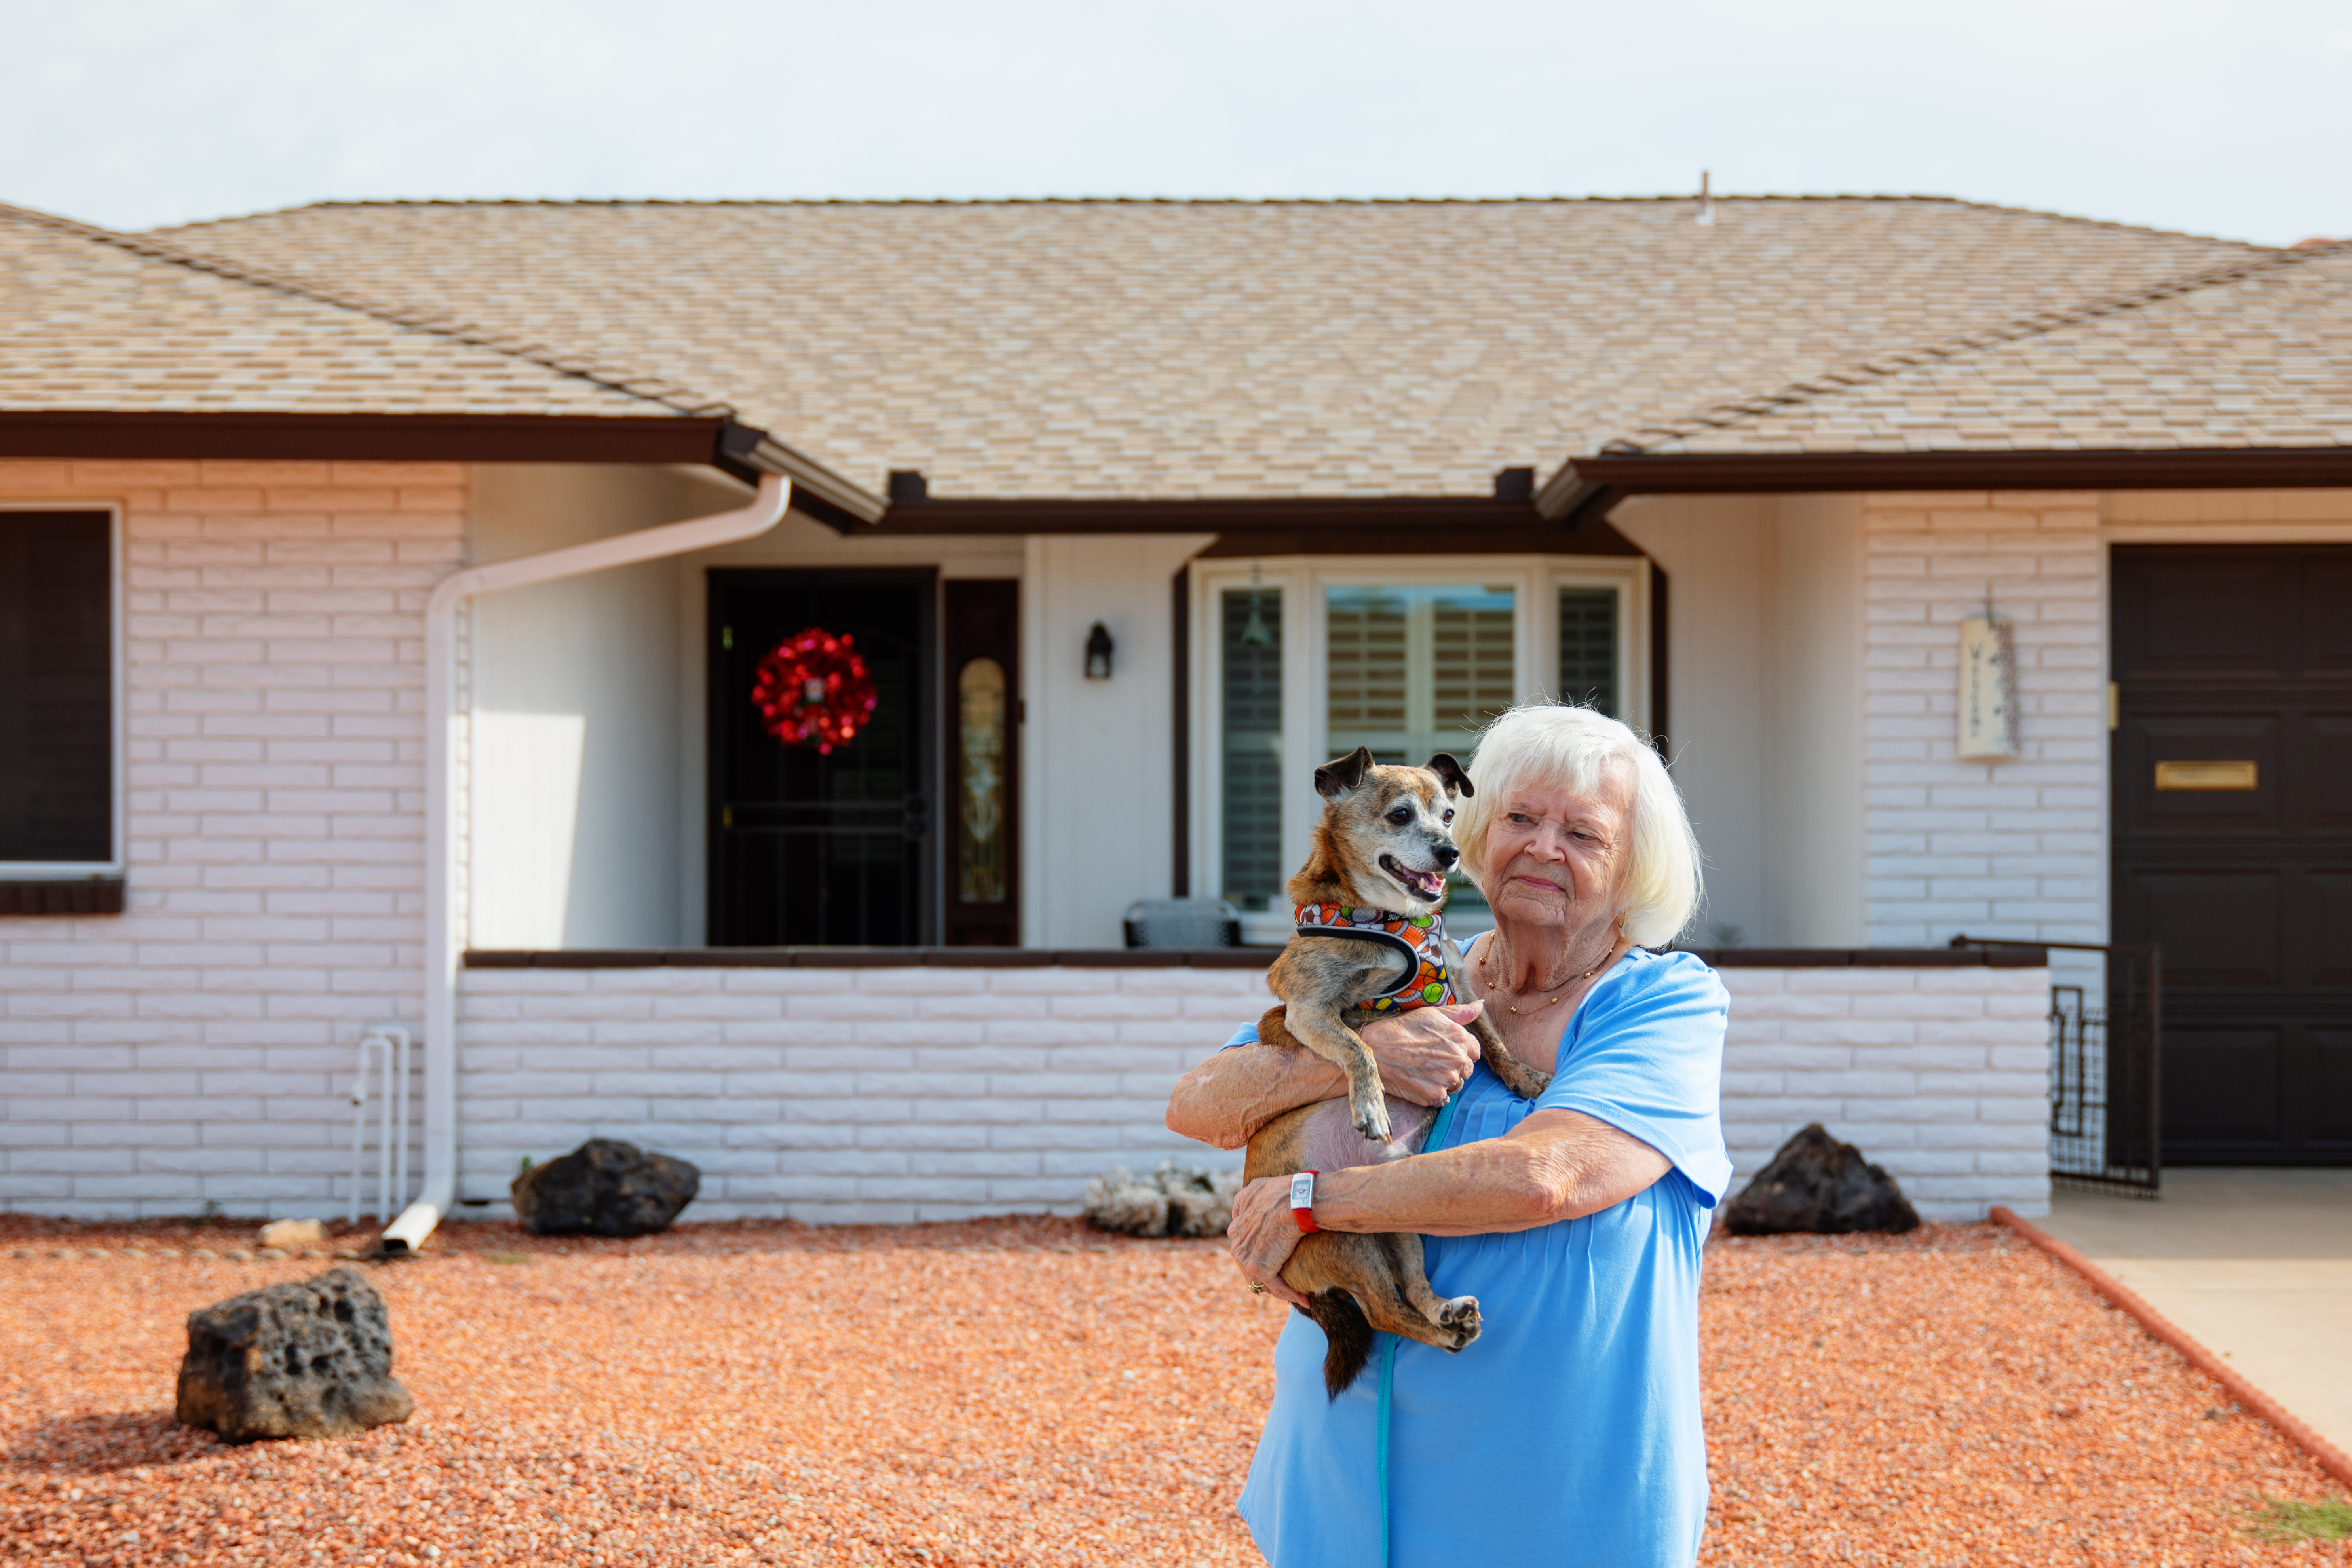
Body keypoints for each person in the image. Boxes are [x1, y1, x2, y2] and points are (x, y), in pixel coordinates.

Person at [1165, 703, 1730, 1568]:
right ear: (1475, 829)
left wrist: (1309, 1203)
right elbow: (1199, 1102)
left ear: (1632, 869)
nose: (1543, 847)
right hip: (1347, 1476)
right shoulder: (1406, 967)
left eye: (1583, 832)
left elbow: (1548, 1174)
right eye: (1519, 818)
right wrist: (1363, 1055)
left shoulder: (1661, 1002)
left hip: (1554, 1492)